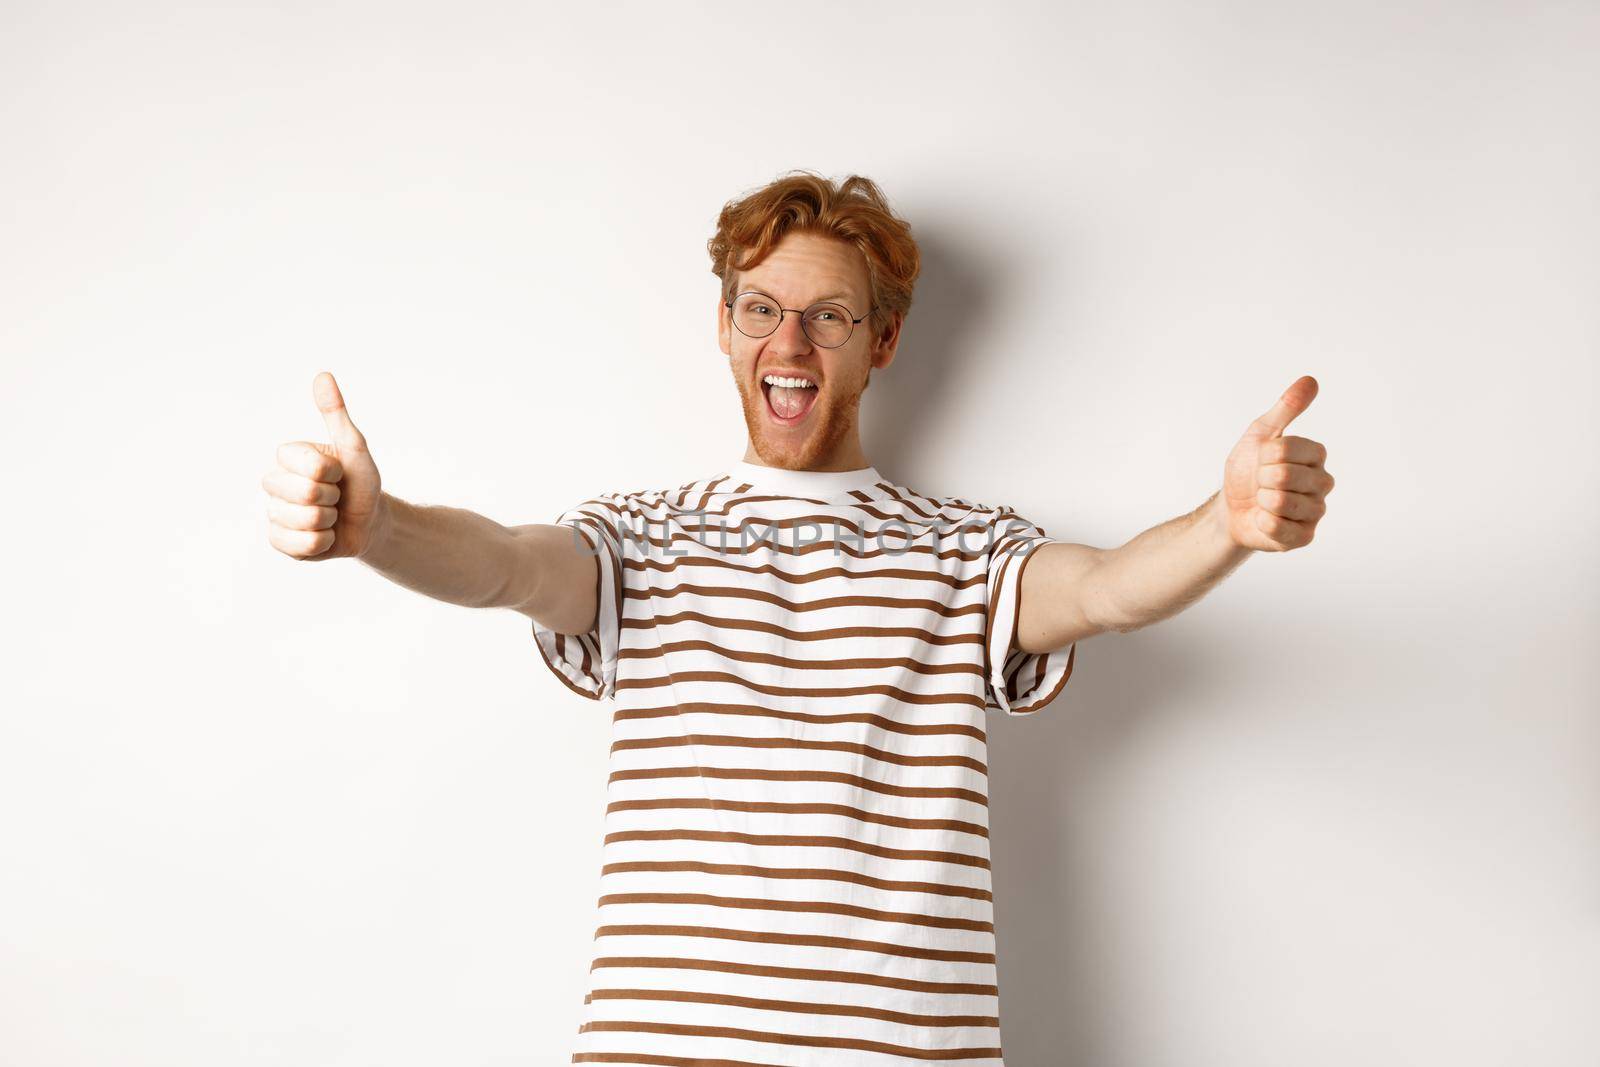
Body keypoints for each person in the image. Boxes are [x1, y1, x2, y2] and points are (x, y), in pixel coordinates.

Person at [260, 170, 1334, 1063]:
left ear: (883, 341)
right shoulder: (639, 535)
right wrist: (377, 527)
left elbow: (1103, 587)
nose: (792, 342)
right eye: (763, 308)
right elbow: (502, 564)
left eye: (829, 315)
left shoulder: (966, 548)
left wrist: (1224, 525)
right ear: (726, 327)